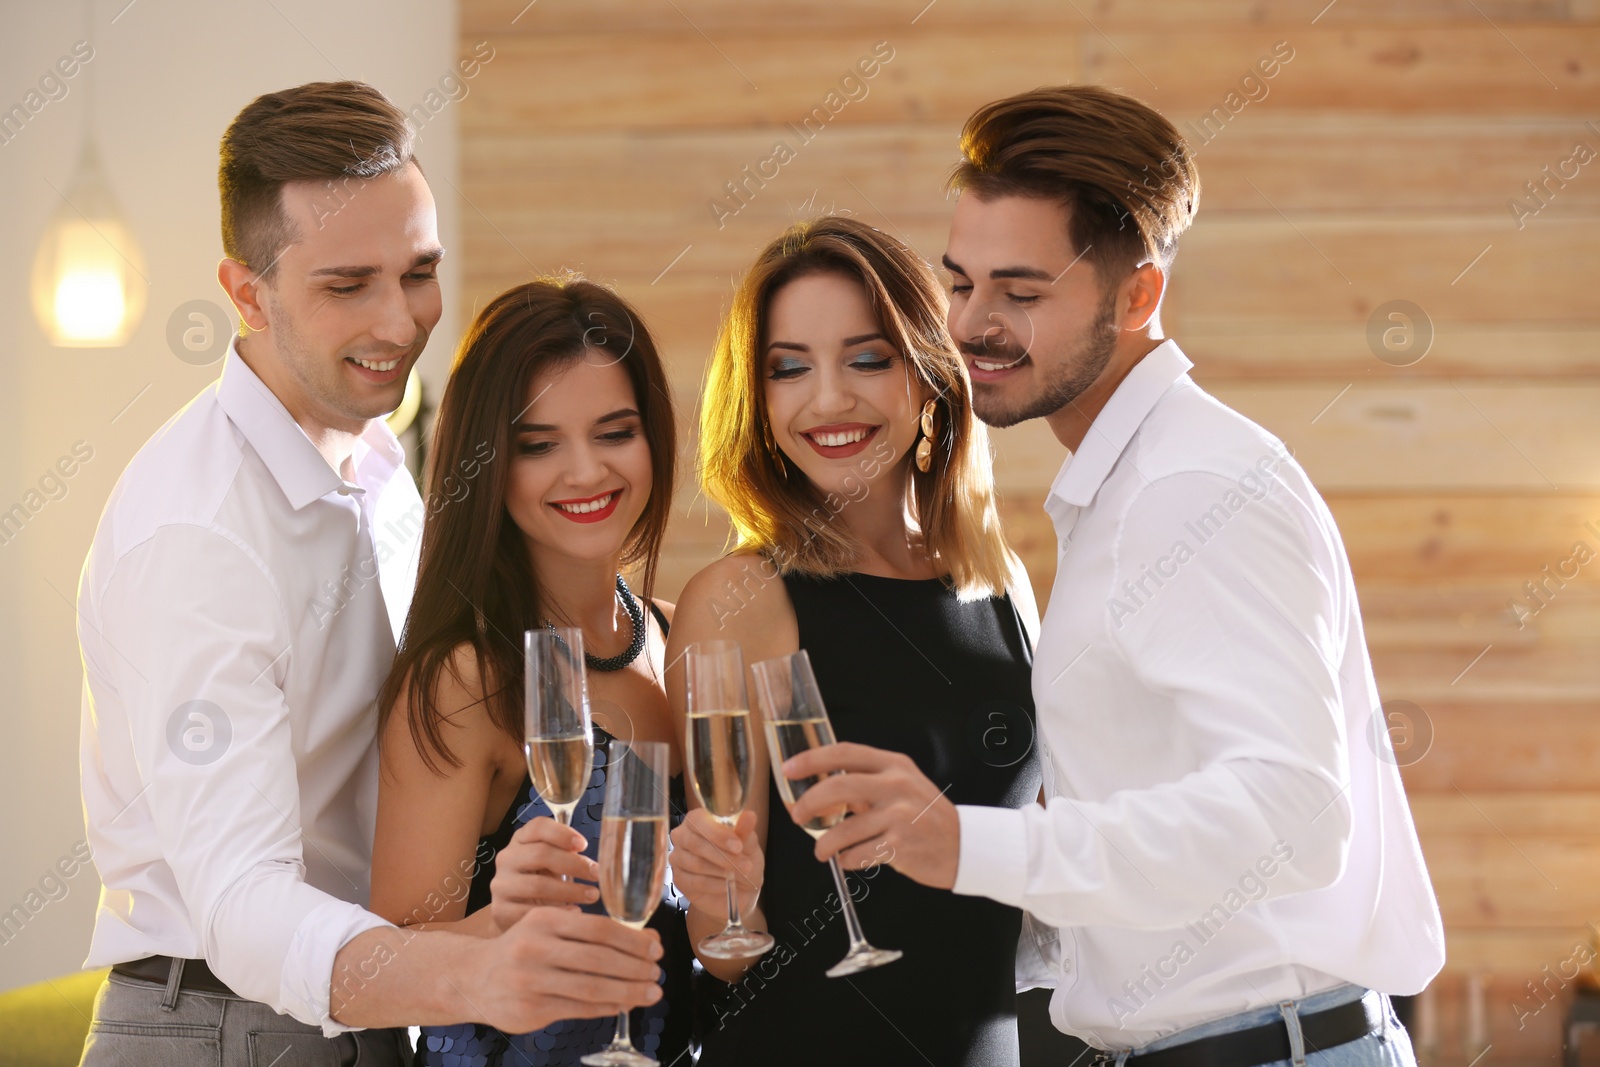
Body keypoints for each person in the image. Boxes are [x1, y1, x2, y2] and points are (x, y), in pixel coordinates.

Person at [782, 85, 1446, 1066]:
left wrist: (966, 841)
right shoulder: (1124, 485)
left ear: (1137, 297)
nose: (971, 324)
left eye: (1021, 291)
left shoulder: (1187, 486)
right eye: (960, 282)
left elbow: (1292, 815)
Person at [73, 82, 663, 1065]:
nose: (401, 320)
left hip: (366, 1016)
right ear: (246, 292)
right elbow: (241, 907)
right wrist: (472, 972)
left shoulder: (384, 467)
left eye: (420, 271)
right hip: (224, 1029)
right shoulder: (198, 533)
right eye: (348, 284)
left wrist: (486, 926)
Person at [665, 215, 1041, 1066]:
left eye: (866, 358)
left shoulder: (1000, 582)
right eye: (788, 368)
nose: (827, 399)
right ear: (758, 402)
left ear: (928, 374)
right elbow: (726, 952)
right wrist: (726, 904)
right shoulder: (739, 601)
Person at [369, 278, 693, 1066]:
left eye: (614, 432)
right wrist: (491, 925)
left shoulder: (676, 638)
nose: (583, 472)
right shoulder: (467, 678)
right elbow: (382, 968)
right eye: (538, 444)